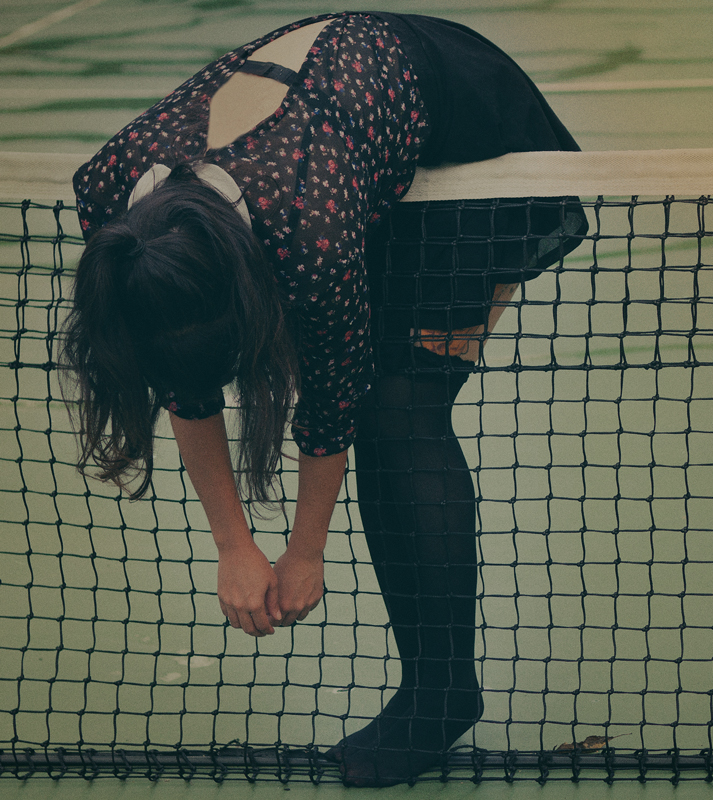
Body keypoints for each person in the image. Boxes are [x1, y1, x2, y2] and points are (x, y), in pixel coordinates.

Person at [63, 12, 587, 786]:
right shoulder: (110, 199)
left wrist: (305, 553)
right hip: (344, 140)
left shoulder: (309, 232)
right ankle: (436, 689)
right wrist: (234, 546)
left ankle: (440, 693)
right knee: (339, 374)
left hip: (470, 129)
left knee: (398, 406)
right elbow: (178, 371)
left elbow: (332, 401)